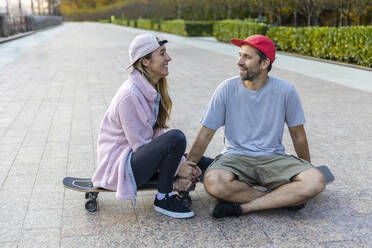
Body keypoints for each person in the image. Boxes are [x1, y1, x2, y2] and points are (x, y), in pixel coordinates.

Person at [186, 34, 327, 218]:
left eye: (247, 57)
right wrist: (186, 171)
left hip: (273, 157)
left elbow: (298, 135)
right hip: (235, 157)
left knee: (315, 180)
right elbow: (205, 134)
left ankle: (243, 208)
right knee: (213, 181)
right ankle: (284, 199)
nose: (239, 62)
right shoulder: (226, 88)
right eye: (239, 55)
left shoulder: (286, 91)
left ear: (264, 63)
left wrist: (306, 168)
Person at [91, 34, 202, 219]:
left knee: (199, 161)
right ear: (146, 62)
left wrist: (182, 164)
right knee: (176, 138)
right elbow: (142, 147)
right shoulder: (130, 95)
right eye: (162, 53)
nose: (169, 58)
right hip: (121, 167)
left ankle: (221, 177)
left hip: (136, 158)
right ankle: (164, 197)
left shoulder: (149, 88)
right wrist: (177, 170)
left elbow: (155, 135)